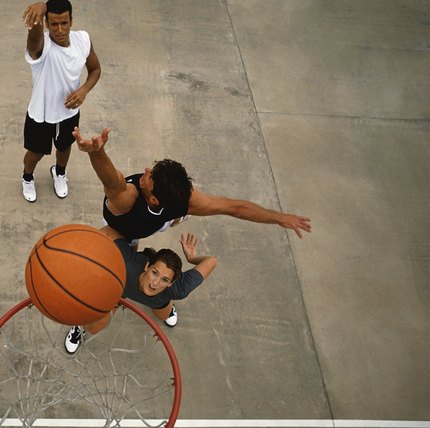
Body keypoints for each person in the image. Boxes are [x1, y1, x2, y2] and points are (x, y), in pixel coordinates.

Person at [73, 127, 312, 246]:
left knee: (170, 219)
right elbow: (112, 181)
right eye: (151, 171)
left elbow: (237, 208)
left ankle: (173, 220)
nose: (145, 171)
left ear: (155, 199)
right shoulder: (128, 198)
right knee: (113, 250)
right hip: (120, 225)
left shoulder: (183, 200)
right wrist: (97, 153)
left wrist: (279, 218)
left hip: (160, 218)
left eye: (149, 177)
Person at [64, 227, 218, 354]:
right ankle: (80, 326)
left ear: (171, 283)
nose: (155, 283)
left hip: (158, 301)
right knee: (95, 326)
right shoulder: (125, 263)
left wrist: (192, 258)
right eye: (154, 273)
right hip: (119, 291)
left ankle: (168, 308)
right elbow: (109, 232)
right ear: (147, 266)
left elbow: (211, 261)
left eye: (164, 280)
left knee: (164, 314)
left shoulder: (179, 289)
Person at [19, 0, 101, 202]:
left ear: (71, 21)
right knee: (35, 153)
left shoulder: (82, 39)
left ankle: (60, 173)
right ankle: (27, 177)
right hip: (41, 113)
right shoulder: (42, 46)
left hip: (69, 112)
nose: (60, 29)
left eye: (64, 23)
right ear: (46, 24)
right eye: (54, 24)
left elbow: (95, 69)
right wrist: (39, 12)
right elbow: (34, 41)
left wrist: (83, 90)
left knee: (64, 148)